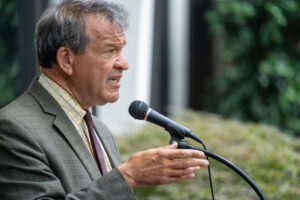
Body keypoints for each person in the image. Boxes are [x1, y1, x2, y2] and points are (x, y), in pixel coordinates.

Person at [0, 0, 209, 199]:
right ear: (66, 59)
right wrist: (129, 176)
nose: (124, 63)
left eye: (122, 49)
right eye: (110, 50)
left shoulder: (100, 130)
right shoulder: (13, 128)